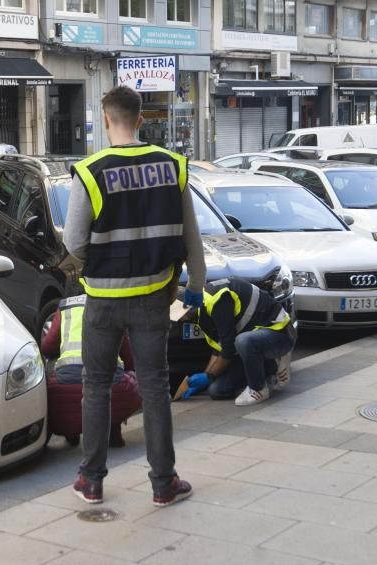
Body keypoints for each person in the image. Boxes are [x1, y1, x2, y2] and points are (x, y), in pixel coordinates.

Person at [64, 85, 207, 507]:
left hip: (103, 300)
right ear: (142, 120)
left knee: (96, 386)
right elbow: (192, 237)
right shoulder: (173, 166)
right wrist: (196, 285)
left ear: (106, 120)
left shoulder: (90, 171)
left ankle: (91, 480)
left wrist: (98, 264)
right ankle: (164, 483)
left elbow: (74, 244)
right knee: (156, 386)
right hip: (153, 298)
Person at [41, 295, 142, 448]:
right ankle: (114, 431)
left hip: (66, 388)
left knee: (52, 365)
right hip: (113, 390)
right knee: (127, 376)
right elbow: (129, 360)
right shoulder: (114, 304)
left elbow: (47, 348)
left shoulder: (66, 307)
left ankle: (72, 434)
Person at [179, 278, 294, 406]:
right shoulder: (201, 312)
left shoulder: (216, 300)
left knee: (243, 341)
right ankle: (271, 366)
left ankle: (259, 389)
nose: (181, 319)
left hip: (279, 333)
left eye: (180, 314)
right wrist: (206, 376)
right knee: (216, 390)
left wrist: (209, 377)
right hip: (256, 340)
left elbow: (228, 349)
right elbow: (218, 348)